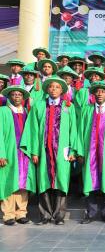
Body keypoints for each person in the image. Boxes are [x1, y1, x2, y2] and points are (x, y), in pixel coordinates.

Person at [20, 76, 78, 225]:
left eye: (57, 87)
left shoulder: (68, 106)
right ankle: (45, 215)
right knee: (44, 182)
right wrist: (34, 151)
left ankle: (59, 216)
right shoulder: (39, 105)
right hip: (44, 150)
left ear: (62, 90)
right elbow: (32, 128)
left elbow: (73, 130)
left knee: (61, 182)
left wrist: (72, 151)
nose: (53, 89)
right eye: (51, 87)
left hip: (61, 151)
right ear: (46, 89)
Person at [78, 82, 105, 224]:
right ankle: (91, 213)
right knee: (90, 182)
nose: (100, 94)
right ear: (94, 94)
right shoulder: (86, 110)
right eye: (98, 92)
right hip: (90, 153)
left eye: (103, 91)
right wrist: (80, 152)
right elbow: (80, 132)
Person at [0, 86, 35, 226]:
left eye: (19, 95)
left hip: (24, 153)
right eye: (13, 94)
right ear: (9, 97)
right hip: (9, 152)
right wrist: (1, 154)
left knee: (22, 183)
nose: (16, 97)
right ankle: (8, 214)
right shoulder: (3, 111)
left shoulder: (27, 112)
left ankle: (21, 213)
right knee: (9, 181)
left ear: (23, 97)